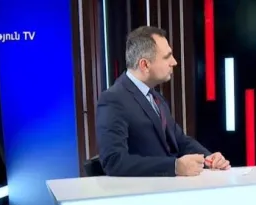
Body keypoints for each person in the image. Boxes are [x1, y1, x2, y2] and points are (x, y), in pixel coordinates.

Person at [96, 26, 230, 177]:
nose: (174, 62)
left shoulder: (155, 97)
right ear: (145, 65)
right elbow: (113, 161)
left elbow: (180, 140)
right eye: (167, 57)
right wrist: (174, 166)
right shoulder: (113, 99)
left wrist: (208, 158)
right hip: (143, 191)